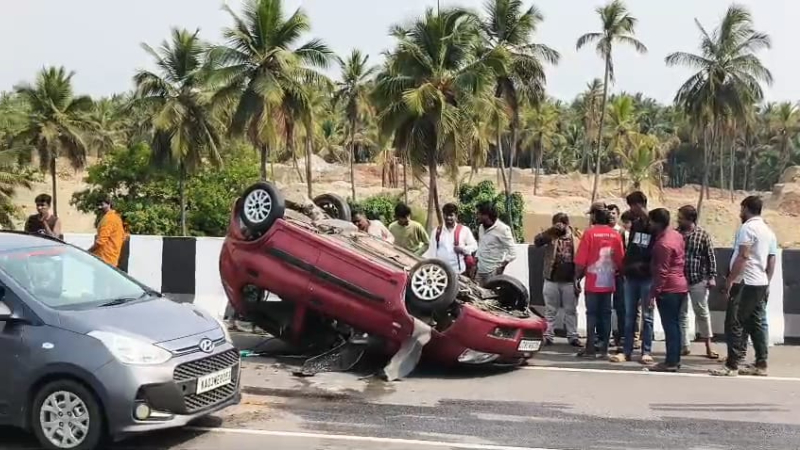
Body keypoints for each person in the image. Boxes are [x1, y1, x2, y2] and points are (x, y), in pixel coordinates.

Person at [711, 196, 775, 377]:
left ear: (746, 208)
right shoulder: (767, 230)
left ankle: (732, 365)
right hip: (760, 281)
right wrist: (768, 281)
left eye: (741, 209)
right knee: (756, 323)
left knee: (734, 322)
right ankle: (761, 363)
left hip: (745, 281)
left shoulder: (747, 228)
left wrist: (730, 279)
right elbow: (771, 258)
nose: (740, 213)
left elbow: (743, 256)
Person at [574, 203, 624, 359]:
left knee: (592, 315)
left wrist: (577, 278)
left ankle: (590, 349)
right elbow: (620, 259)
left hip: (592, 282)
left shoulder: (589, 234)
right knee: (606, 314)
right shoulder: (615, 235)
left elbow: (580, 261)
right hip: (609, 282)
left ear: (595, 217)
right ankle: (604, 350)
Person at [611, 191, 655, 364]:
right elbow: (633, 248)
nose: (630, 210)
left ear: (639, 204)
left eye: (632, 206)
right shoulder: (635, 225)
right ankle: (626, 351)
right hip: (632, 276)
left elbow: (655, 251)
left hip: (648, 277)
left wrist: (645, 267)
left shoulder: (654, 225)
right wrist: (626, 267)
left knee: (647, 316)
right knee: (630, 315)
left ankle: (646, 351)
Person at [647, 208, 689, 372]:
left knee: (670, 325)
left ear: (657, 223)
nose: (649, 224)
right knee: (675, 324)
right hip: (680, 285)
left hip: (669, 288)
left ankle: (671, 361)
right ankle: (674, 359)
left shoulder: (663, 244)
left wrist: (653, 293)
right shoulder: (676, 235)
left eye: (651, 221)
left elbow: (662, 272)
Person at [676, 205, 719, 359]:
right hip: (679, 279)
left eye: (681, 218)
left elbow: (710, 256)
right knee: (681, 314)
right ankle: (684, 345)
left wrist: (712, 276)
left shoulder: (702, 235)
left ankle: (708, 345)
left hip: (697, 279)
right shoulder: (676, 234)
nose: (678, 220)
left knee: (702, 312)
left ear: (690, 219)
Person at [534, 213, 581, 347]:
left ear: (567, 224)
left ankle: (572, 336)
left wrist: (578, 278)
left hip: (569, 280)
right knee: (550, 310)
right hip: (551, 278)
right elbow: (537, 242)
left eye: (561, 224)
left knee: (571, 310)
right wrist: (550, 231)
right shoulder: (551, 235)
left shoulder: (576, 236)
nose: (559, 227)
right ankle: (548, 335)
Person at [424, 203, 477, 275]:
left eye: (451, 215)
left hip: (458, 271)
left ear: (456, 216)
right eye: (446, 215)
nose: (448, 218)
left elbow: (474, 245)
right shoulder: (436, 231)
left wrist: (463, 249)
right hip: (440, 271)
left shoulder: (464, 230)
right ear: (443, 215)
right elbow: (432, 252)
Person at [474, 201, 517, 286]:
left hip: (492, 273)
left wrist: (501, 266)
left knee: (491, 294)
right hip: (479, 272)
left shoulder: (503, 229)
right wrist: (475, 262)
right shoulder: (481, 228)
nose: (477, 216)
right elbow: (481, 246)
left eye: (479, 214)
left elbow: (513, 253)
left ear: (486, 215)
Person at [88, 195, 126, 267]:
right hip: (112, 258)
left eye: (102, 205)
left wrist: (88, 251)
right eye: (98, 205)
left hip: (105, 259)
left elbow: (101, 241)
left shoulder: (109, 219)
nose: (100, 207)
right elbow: (123, 237)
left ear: (109, 204)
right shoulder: (116, 218)